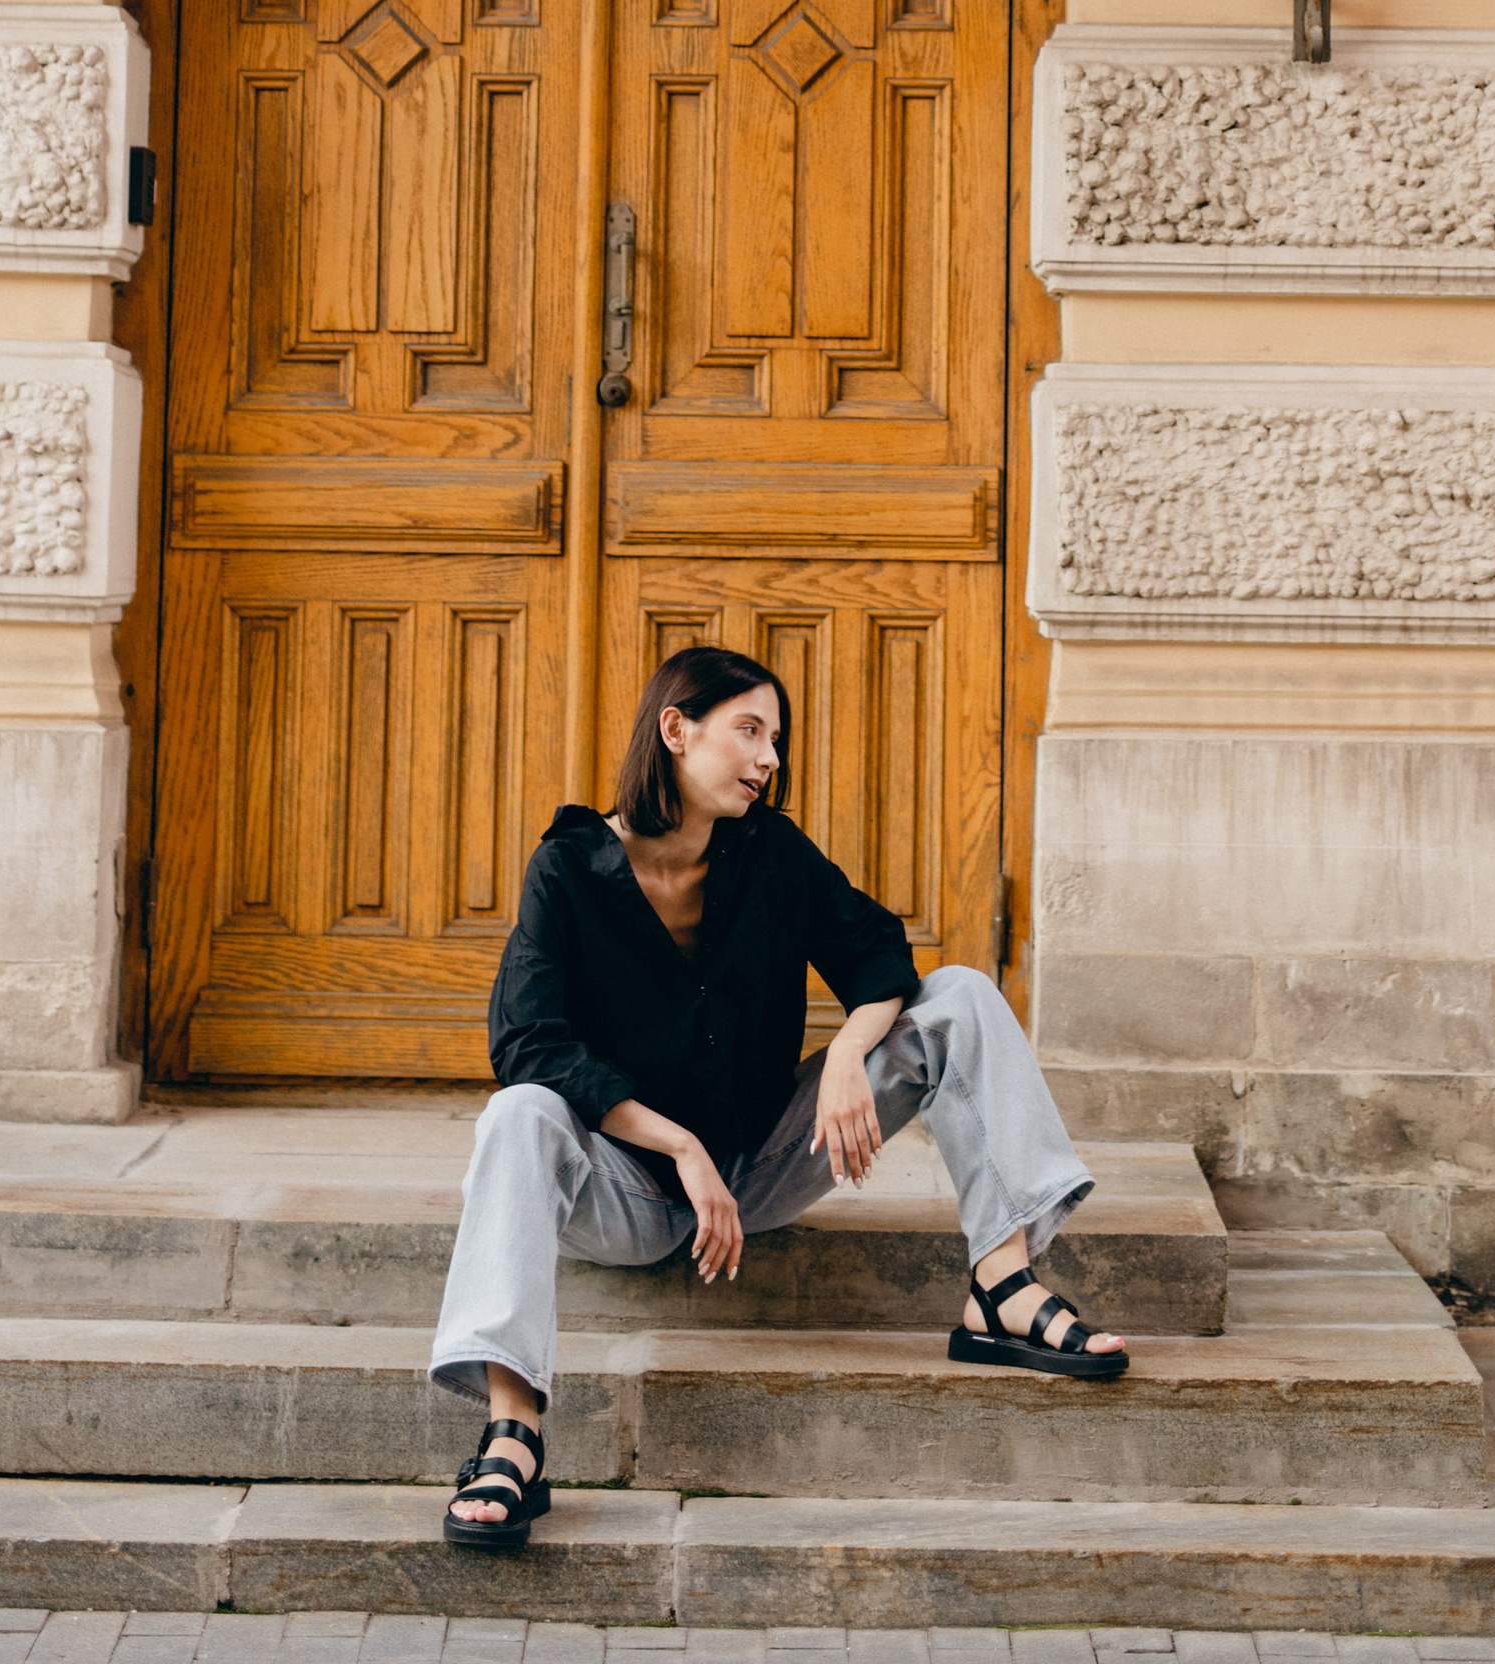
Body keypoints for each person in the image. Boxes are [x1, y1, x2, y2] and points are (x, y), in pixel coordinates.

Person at [431, 640, 1128, 1549]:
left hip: (762, 1165)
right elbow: (527, 1041)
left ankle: (1000, 1283)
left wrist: (846, 1052)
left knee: (958, 994)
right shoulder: (568, 867)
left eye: (777, 738)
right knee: (519, 1111)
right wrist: (677, 1147)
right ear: (676, 730)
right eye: (750, 731)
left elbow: (880, 955)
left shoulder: (769, 852)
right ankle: (512, 1428)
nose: (770, 758)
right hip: (629, 1192)